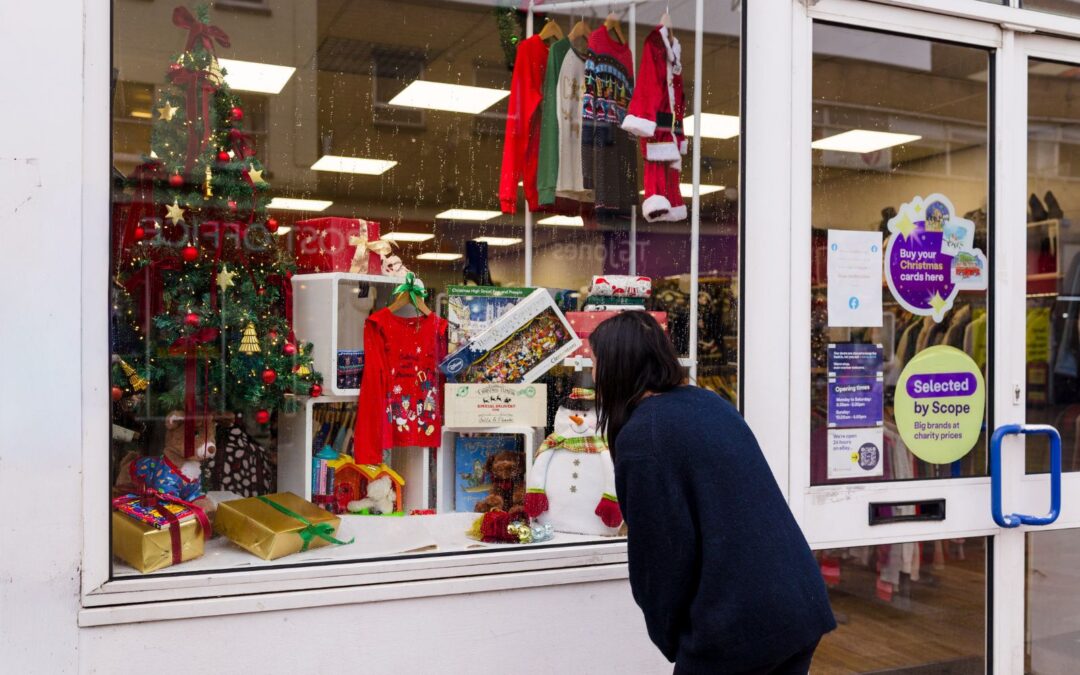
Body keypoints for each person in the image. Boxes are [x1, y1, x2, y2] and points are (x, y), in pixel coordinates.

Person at [589, 312, 836, 674]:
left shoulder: (645, 436)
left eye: (595, 363)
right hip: (797, 603)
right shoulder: (708, 402)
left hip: (738, 625)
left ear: (616, 366)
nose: (594, 376)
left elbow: (660, 557)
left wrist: (676, 640)